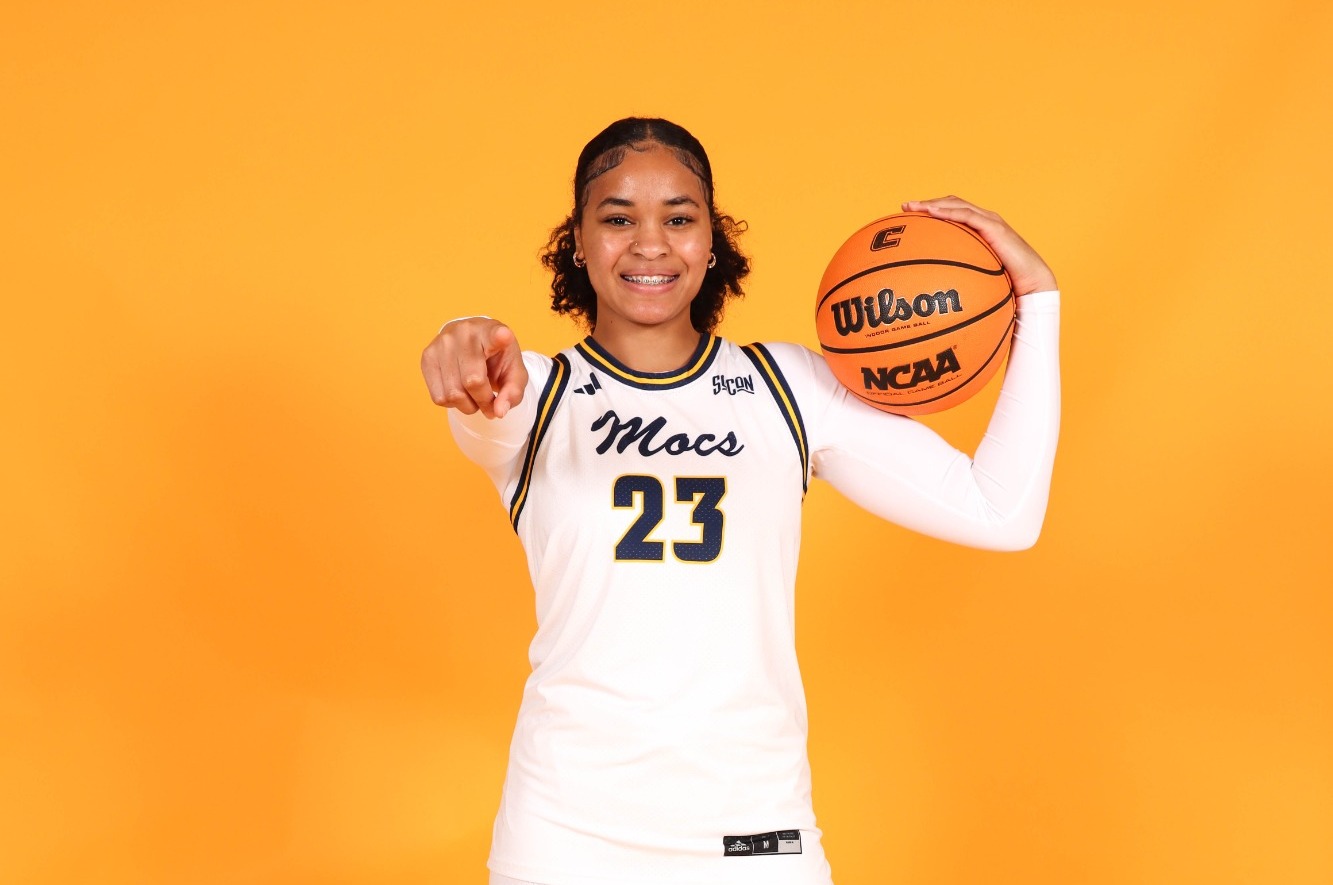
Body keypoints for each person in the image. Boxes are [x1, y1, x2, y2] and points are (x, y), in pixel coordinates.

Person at [420, 117, 1060, 885]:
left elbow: (1000, 511)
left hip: (755, 837)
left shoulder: (787, 389)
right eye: (617, 219)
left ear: (711, 240)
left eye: (678, 218)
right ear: (578, 242)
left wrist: (1037, 298)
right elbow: (482, 388)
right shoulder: (531, 394)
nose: (650, 244)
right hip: (566, 840)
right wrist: (460, 333)